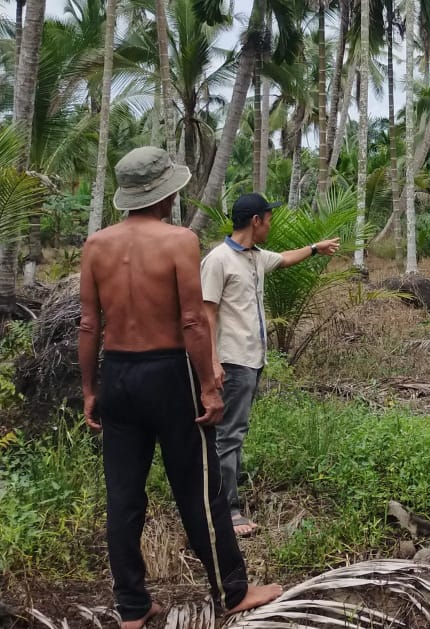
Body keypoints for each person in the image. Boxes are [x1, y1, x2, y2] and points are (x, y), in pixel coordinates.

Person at [78, 147, 282, 628]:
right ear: (165, 193)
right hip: (169, 374)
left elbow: (89, 325)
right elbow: (192, 319)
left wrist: (91, 389)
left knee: (123, 495)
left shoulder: (96, 245)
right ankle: (233, 590)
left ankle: (132, 606)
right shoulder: (179, 241)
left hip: (118, 374)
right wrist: (210, 387)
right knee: (201, 486)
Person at [200, 191, 340, 537]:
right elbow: (206, 316)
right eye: (269, 219)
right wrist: (212, 362)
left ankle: (226, 499)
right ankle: (227, 511)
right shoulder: (218, 261)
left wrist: (313, 249)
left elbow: (284, 260)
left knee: (234, 432)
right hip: (231, 362)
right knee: (227, 436)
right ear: (256, 221)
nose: (271, 225)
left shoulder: (255, 257)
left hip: (251, 360)